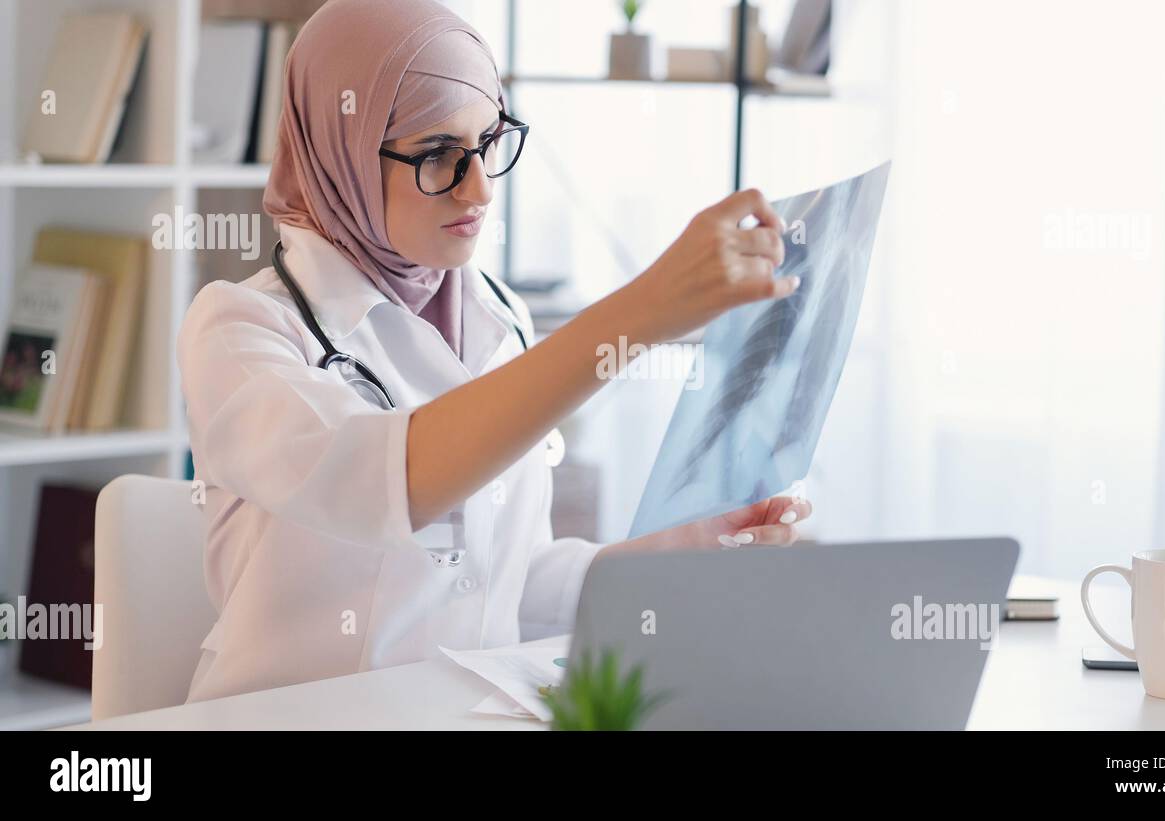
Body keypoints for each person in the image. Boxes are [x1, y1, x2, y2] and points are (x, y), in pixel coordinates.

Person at [177, 0, 811, 702]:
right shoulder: (239, 330)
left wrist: (678, 556)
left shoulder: (498, 314)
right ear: (343, 153)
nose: (478, 188)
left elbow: (504, 584)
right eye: (437, 155)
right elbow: (389, 481)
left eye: (489, 141)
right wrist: (646, 307)